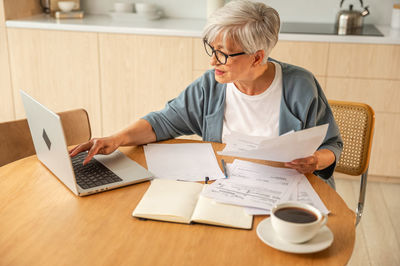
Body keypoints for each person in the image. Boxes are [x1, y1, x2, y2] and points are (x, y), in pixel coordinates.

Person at [70, 0, 342, 188]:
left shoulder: (300, 86)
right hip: (226, 188)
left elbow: (331, 145)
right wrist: (116, 138)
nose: (213, 61)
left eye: (223, 54)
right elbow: (163, 122)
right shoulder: (210, 86)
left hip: (286, 193)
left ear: (257, 57)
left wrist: (316, 160)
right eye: (211, 49)